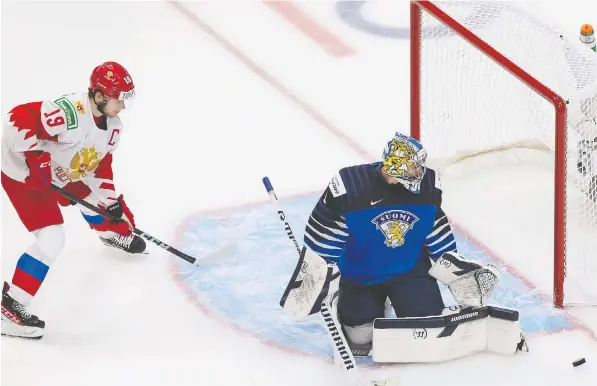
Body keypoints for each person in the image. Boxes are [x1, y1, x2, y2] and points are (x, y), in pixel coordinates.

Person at [299, 132, 525, 363]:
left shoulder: (428, 186)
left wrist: (450, 264)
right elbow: (324, 229)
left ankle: (397, 296)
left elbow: (434, 225)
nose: (420, 173)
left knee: (427, 329)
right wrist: (321, 269)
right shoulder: (351, 186)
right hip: (361, 273)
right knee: (361, 338)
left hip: (409, 271)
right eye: (414, 168)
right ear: (396, 165)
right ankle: (355, 301)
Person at [1, 61, 145, 340]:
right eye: (119, 99)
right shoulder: (70, 113)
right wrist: (34, 158)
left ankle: (108, 234)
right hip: (23, 175)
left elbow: (100, 167)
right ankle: (7, 307)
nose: (123, 106)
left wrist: (112, 205)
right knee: (52, 239)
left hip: (58, 172)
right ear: (100, 96)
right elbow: (16, 119)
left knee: (92, 198)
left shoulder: (113, 127)